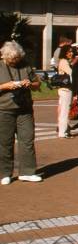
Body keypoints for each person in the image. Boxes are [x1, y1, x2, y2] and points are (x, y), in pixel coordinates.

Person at [0, 41, 42, 185]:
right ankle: (5, 173)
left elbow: (37, 84)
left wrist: (30, 84)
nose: (14, 61)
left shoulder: (25, 64)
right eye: (11, 59)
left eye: (17, 58)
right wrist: (5, 86)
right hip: (4, 109)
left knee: (27, 139)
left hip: (25, 109)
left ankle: (27, 172)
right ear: (4, 57)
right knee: (5, 142)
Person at [56, 45, 75, 137]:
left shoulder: (65, 61)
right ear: (65, 52)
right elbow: (71, 73)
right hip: (65, 89)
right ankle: (63, 132)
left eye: (71, 51)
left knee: (64, 110)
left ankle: (64, 130)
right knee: (65, 110)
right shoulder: (64, 62)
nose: (71, 53)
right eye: (69, 51)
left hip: (64, 89)